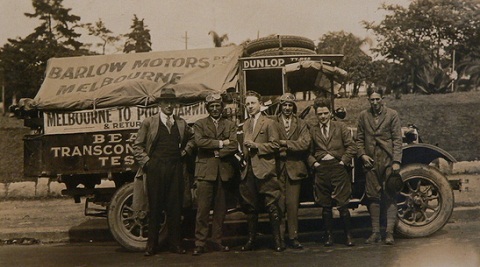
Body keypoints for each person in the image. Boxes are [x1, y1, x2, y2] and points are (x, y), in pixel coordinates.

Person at [132, 87, 194, 256]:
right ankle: (151, 245)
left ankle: (175, 244)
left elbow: (193, 139)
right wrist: (148, 163)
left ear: (175, 104)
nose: (169, 105)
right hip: (156, 169)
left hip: (175, 169)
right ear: (159, 104)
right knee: (155, 207)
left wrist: (186, 151)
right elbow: (137, 146)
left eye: (171, 102)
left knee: (175, 207)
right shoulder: (149, 122)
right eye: (165, 102)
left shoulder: (180, 123)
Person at [192, 93, 238, 256]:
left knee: (220, 210)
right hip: (205, 172)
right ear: (207, 108)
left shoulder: (230, 124)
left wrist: (219, 152)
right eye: (211, 106)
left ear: (222, 107)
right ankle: (200, 243)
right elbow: (199, 142)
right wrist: (220, 143)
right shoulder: (200, 124)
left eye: (217, 105)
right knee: (202, 210)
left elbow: (233, 145)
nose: (215, 109)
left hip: (223, 172)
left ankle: (216, 241)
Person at [307, 98, 356, 247]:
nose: (322, 116)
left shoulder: (340, 127)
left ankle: (348, 236)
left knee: (342, 204)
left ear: (330, 113)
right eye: (319, 114)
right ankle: (329, 237)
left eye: (325, 113)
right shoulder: (312, 130)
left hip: (338, 168)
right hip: (321, 170)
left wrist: (343, 162)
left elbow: (351, 147)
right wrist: (314, 164)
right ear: (316, 114)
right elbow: (307, 152)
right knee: (325, 205)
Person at [357, 87, 402, 245]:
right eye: (372, 99)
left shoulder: (392, 114)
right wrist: (362, 155)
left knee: (389, 195)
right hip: (370, 161)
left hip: (387, 160)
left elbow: (397, 139)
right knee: (373, 196)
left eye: (377, 99)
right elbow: (359, 139)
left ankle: (389, 233)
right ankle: (375, 232)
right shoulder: (363, 115)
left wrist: (396, 161)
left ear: (382, 98)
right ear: (368, 100)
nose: (375, 102)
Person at [239, 90, 284, 252]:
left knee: (272, 205)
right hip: (249, 170)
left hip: (265, 169)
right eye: (248, 104)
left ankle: (278, 241)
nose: (250, 106)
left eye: (253, 103)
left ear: (260, 104)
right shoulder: (245, 124)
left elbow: (275, 145)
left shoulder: (269, 122)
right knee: (251, 207)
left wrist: (257, 146)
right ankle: (251, 240)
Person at [273, 93, 311, 249]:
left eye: (290, 105)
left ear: (294, 107)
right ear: (280, 106)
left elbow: (305, 143)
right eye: (284, 105)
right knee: (278, 204)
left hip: (295, 169)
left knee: (292, 204)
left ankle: (293, 236)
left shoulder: (301, 123)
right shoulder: (272, 122)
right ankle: (280, 238)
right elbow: (271, 143)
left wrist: (285, 143)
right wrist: (289, 144)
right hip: (276, 169)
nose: (287, 108)